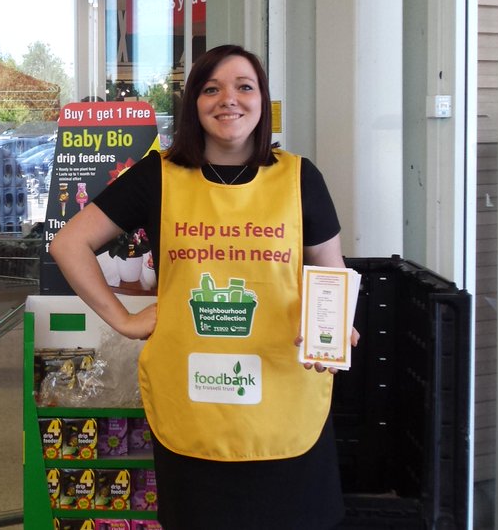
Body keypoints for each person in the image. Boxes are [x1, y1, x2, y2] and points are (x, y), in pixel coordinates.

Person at [50, 44, 360, 529]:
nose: (228, 100)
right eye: (211, 88)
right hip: (194, 402)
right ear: (194, 103)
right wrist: (123, 320)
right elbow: (69, 243)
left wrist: (336, 326)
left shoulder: (300, 178)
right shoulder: (159, 175)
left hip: (284, 398)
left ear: (262, 101)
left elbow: (331, 271)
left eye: (244, 87)